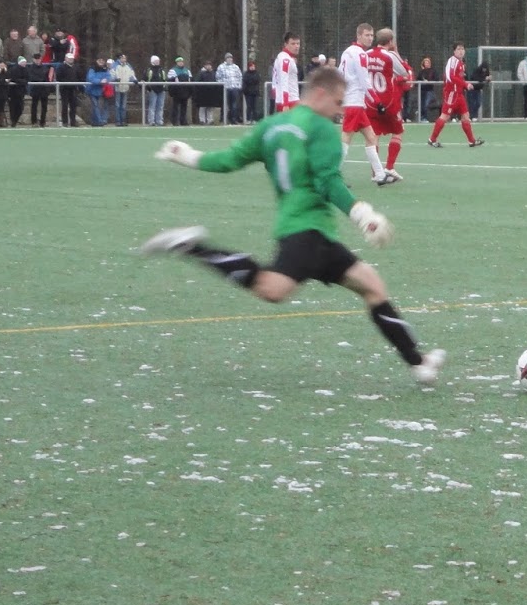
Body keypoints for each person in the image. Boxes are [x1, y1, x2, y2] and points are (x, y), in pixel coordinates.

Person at [142, 64, 445, 388]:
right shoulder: (320, 129)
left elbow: (228, 160)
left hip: (309, 232)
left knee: (371, 285)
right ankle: (191, 246)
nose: (340, 111)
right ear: (320, 94)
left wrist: (187, 156)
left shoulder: (272, 126)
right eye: (338, 102)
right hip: (307, 232)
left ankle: (419, 363)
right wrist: (362, 214)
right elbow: (328, 181)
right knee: (273, 290)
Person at [365, 27, 413, 184]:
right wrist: (397, 54)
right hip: (389, 102)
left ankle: (375, 172)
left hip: (372, 103)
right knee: (398, 132)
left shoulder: (366, 55)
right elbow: (404, 73)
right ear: (391, 42)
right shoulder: (390, 55)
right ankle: (389, 167)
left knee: (374, 137)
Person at [339, 23, 386, 183]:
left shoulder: (347, 52)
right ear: (358, 36)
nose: (370, 38)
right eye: (367, 35)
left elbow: (340, 74)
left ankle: (380, 175)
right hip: (354, 103)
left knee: (371, 137)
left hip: (354, 102)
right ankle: (333, 176)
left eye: (372, 35)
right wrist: (378, 102)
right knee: (345, 139)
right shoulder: (360, 54)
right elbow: (365, 80)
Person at [428, 43, 484, 149]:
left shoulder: (461, 63)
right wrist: (465, 84)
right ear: (454, 51)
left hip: (459, 94)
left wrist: (463, 84)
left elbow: (458, 78)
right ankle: (432, 139)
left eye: (462, 49)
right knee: (445, 116)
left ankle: (471, 141)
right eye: (458, 49)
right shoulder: (453, 61)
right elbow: (450, 77)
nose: (461, 51)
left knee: (465, 116)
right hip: (452, 94)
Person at [272, 33, 301, 112]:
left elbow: (274, 82)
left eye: (298, 43)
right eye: (293, 44)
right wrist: (285, 104)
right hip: (290, 101)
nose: (296, 46)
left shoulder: (282, 57)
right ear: (286, 44)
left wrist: (277, 96)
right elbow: (284, 81)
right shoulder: (285, 60)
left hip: (286, 99)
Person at [110, 53, 137, 126]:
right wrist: (115, 79)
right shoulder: (115, 65)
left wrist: (134, 80)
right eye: (122, 58)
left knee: (124, 106)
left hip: (125, 87)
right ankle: (118, 121)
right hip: (117, 88)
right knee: (118, 105)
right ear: (119, 58)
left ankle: (123, 120)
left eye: (125, 58)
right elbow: (111, 75)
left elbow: (132, 74)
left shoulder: (128, 66)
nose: (124, 59)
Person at [85, 57, 113, 126]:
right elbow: (90, 78)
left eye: (102, 60)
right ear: (96, 61)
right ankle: (99, 121)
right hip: (91, 90)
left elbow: (108, 76)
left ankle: (94, 121)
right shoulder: (92, 69)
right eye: (99, 60)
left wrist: (106, 80)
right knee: (96, 105)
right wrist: (100, 81)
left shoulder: (105, 69)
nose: (101, 62)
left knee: (97, 106)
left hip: (99, 90)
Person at [219, 52, 244, 124]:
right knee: (224, 104)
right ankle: (223, 119)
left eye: (231, 58)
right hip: (225, 88)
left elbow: (240, 77)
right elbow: (218, 77)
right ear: (225, 59)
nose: (230, 59)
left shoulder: (236, 67)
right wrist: (222, 85)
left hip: (234, 88)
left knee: (234, 105)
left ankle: (233, 119)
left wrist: (238, 86)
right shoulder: (221, 67)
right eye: (228, 58)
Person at [28, 56, 53, 127]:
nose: (38, 60)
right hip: (35, 89)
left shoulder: (44, 68)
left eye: (39, 59)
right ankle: (34, 122)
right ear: (33, 60)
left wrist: (48, 87)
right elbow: (32, 77)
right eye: (36, 59)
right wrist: (40, 80)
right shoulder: (31, 68)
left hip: (44, 89)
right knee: (34, 106)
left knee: (44, 106)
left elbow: (47, 78)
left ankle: (43, 121)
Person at [167, 57, 192, 126]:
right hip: (177, 92)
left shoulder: (187, 71)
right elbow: (171, 82)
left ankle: (183, 121)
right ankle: (174, 121)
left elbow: (190, 81)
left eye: (182, 61)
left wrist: (190, 92)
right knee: (175, 107)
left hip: (185, 91)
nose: (181, 63)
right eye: (179, 62)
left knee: (184, 107)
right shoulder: (172, 70)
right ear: (177, 63)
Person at [6, 56, 29, 127]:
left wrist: (23, 81)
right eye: (23, 62)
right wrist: (22, 81)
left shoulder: (26, 69)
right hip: (13, 92)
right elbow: (14, 78)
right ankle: (13, 121)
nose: (25, 64)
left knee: (20, 108)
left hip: (21, 92)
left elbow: (27, 78)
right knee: (13, 107)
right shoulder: (14, 69)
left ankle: (15, 120)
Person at [144, 55, 167, 125]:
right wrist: (149, 88)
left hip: (161, 90)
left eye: (158, 60)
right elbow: (145, 79)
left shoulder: (161, 70)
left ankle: (159, 121)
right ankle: (151, 121)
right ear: (153, 61)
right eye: (157, 61)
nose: (158, 62)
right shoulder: (148, 70)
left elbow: (164, 79)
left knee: (160, 106)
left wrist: (164, 88)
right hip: (152, 90)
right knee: (152, 106)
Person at [416, 56, 436, 122]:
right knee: (422, 104)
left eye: (428, 62)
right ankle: (421, 117)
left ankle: (425, 117)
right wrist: (422, 82)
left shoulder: (433, 71)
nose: (427, 64)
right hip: (422, 91)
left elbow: (436, 79)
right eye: (425, 62)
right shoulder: (421, 72)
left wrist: (429, 81)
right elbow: (417, 80)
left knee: (426, 104)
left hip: (429, 91)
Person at [243, 58, 262, 122]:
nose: (252, 67)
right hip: (248, 93)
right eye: (251, 66)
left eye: (253, 66)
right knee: (249, 107)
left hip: (255, 93)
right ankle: (248, 119)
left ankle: (254, 119)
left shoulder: (257, 73)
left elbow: (257, 80)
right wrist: (245, 91)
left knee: (255, 107)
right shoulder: (246, 74)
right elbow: (245, 82)